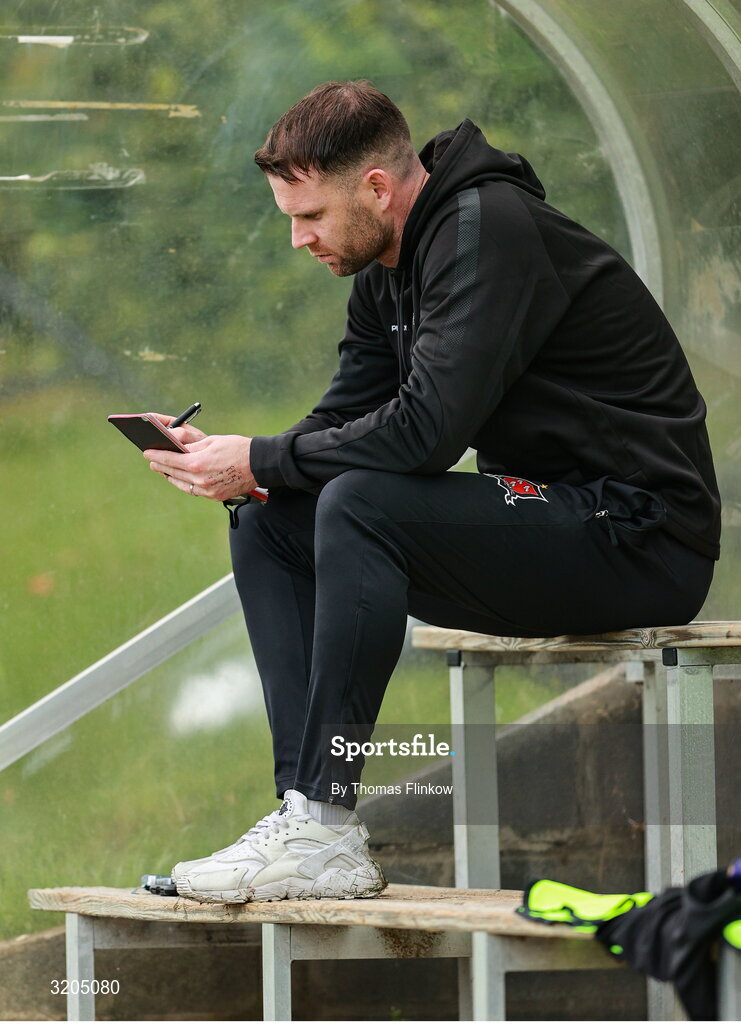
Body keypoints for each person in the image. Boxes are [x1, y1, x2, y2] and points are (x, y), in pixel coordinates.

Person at [143, 80, 720, 904]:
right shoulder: (389, 262)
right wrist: (238, 464)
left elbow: (425, 433)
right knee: (273, 520)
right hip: (543, 519)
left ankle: (324, 822)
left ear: (376, 188)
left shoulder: (487, 232)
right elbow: (343, 420)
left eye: (308, 217)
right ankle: (309, 811)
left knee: (352, 501)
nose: (298, 240)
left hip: (638, 534)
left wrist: (265, 456)